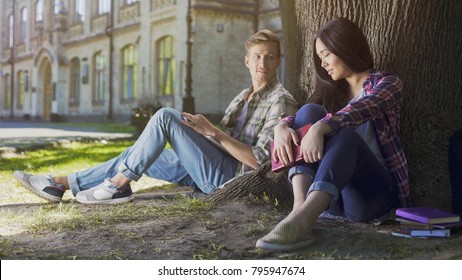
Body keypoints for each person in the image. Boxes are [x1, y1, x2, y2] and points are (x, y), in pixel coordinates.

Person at [14, 29, 298, 205]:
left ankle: (118, 185)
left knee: (165, 116)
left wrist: (212, 132)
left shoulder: (280, 100)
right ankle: (60, 184)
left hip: (230, 180)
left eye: (270, 57)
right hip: (210, 168)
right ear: (247, 61)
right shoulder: (242, 97)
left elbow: (262, 162)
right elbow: (218, 145)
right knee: (137, 152)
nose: (263, 63)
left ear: (278, 61)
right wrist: (195, 131)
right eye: (258, 57)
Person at [255, 18, 411, 251]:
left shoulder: (387, 83)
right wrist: (281, 126)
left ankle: (302, 219)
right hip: (333, 197)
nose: (323, 63)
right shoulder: (330, 92)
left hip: (373, 195)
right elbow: (300, 117)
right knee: (309, 111)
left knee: (346, 136)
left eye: (326, 54)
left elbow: (362, 109)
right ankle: (300, 210)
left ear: (344, 46)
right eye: (320, 58)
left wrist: (322, 127)